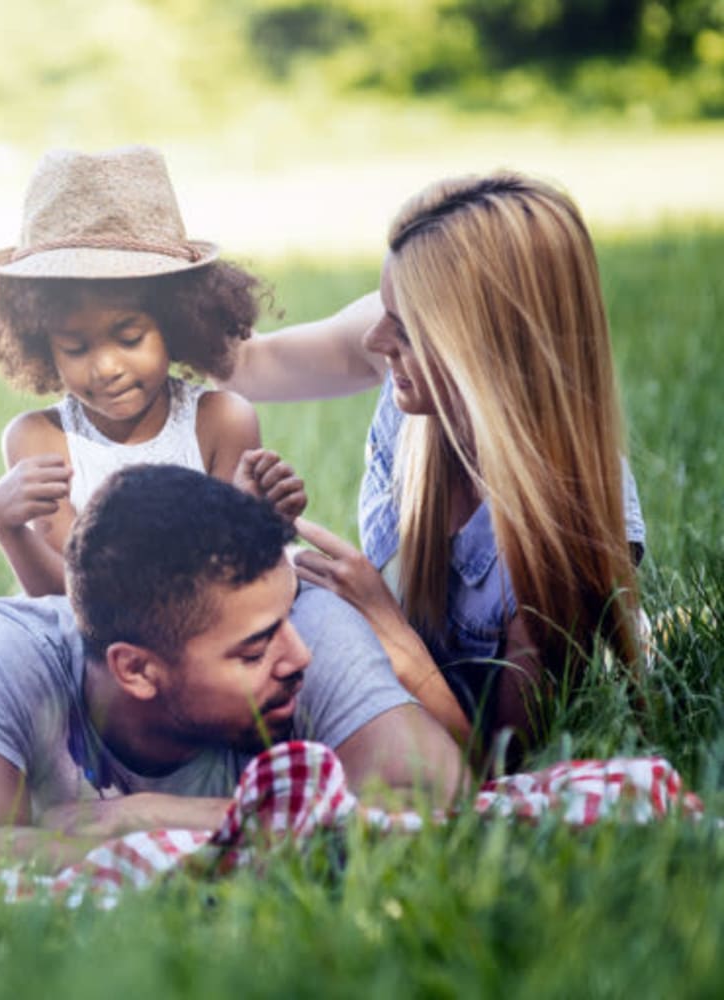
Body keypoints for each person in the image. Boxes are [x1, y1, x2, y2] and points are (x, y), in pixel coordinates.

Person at [221, 171, 647, 768]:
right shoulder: (418, 390)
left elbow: (498, 766)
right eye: (385, 309)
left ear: (487, 347)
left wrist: (384, 626)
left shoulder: (563, 539)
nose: (376, 338)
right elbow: (245, 365)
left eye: (408, 328)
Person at [0, 465, 467, 871]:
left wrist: (150, 818)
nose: (299, 657)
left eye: (286, 617)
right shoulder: (5, 649)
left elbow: (437, 797)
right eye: (253, 651)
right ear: (136, 671)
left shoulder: (306, 621)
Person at [0, 145, 305, 596]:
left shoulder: (220, 421)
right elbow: (66, 598)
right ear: (41, 344)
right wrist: (7, 528)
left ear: (179, 322)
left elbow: (232, 585)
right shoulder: (39, 440)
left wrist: (263, 522)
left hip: (212, 627)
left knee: (320, 605)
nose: (105, 368)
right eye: (75, 347)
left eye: (129, 338)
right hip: (92, 640)